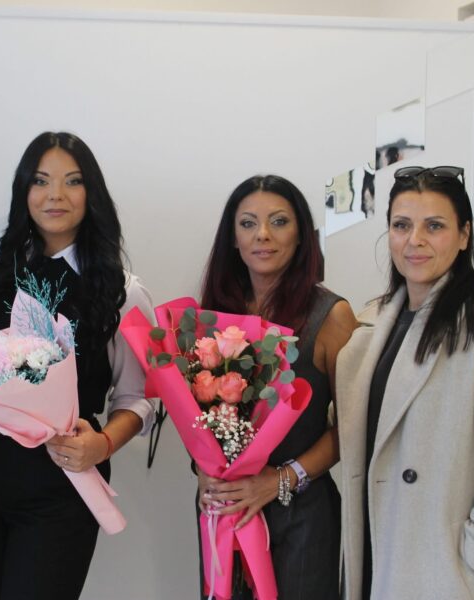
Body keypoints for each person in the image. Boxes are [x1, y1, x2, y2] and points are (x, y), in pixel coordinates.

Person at [0, 131, 155, 600]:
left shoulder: (123, 291)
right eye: (41, 181)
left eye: (73, 181)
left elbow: (139, 398)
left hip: (61, 489)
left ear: (92, 194)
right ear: (24, 191)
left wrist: (103, 444)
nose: (55, 195)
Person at [336, 166, 474, 600]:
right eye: (401, 225)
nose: (414, 240)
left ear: (464, 234)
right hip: (377, 553)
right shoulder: (376, 321)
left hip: (441, 570)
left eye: (434, 226)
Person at [197, 174, 358, 599]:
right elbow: (199, 415)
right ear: (233, 238)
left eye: (279, 221)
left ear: (302, 235)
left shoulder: (332, 316)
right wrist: (205, 472)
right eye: (248, 223)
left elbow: (353, 427)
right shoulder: (214, 314)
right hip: (226, 510)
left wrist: (281, 480)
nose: (262, 235)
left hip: (301, 514)